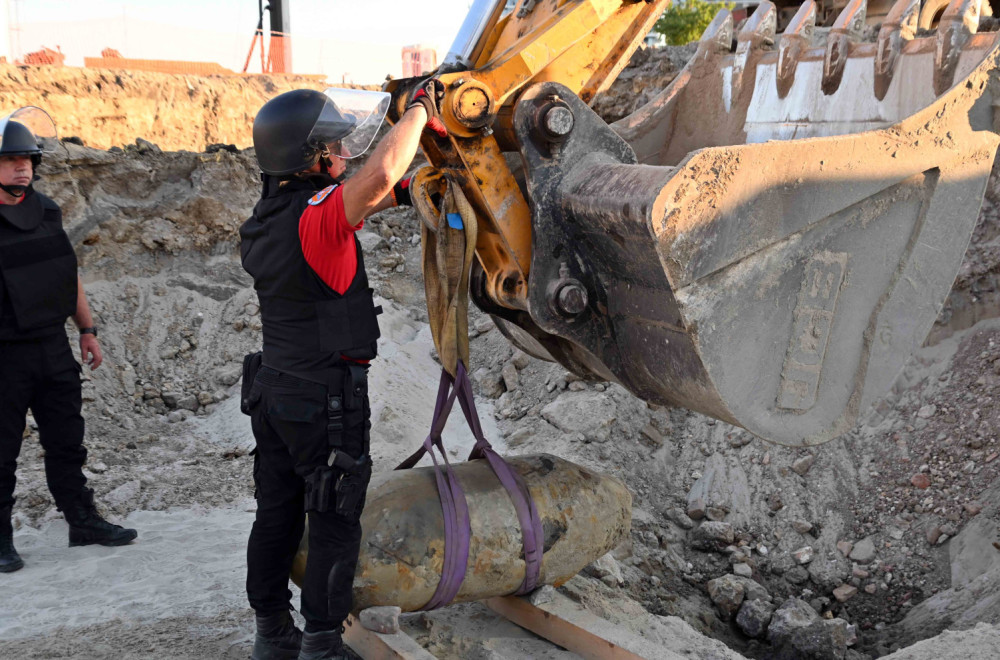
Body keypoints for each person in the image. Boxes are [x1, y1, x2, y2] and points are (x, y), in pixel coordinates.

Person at [240, 83, 445, 660]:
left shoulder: (264, 221)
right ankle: (323, 643)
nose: (342, 155)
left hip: (272, 391)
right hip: (325, 401)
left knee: (276, 513)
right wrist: (420, 113)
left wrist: (410, 190)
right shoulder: (321, 218)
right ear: (311, 158)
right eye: (332, 147)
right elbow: (374, 180)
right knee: (334, 516)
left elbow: (370, 193)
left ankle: (272, 635)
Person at [0, 109, 138, 574]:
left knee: (67, 443)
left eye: (28, 159)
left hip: (51, 347)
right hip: (4, 355)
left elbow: (66, 271)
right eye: (10, 159)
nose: (22, 167)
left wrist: (87, 329)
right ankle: (1, 541)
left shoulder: (47, 211)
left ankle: (83, 522)